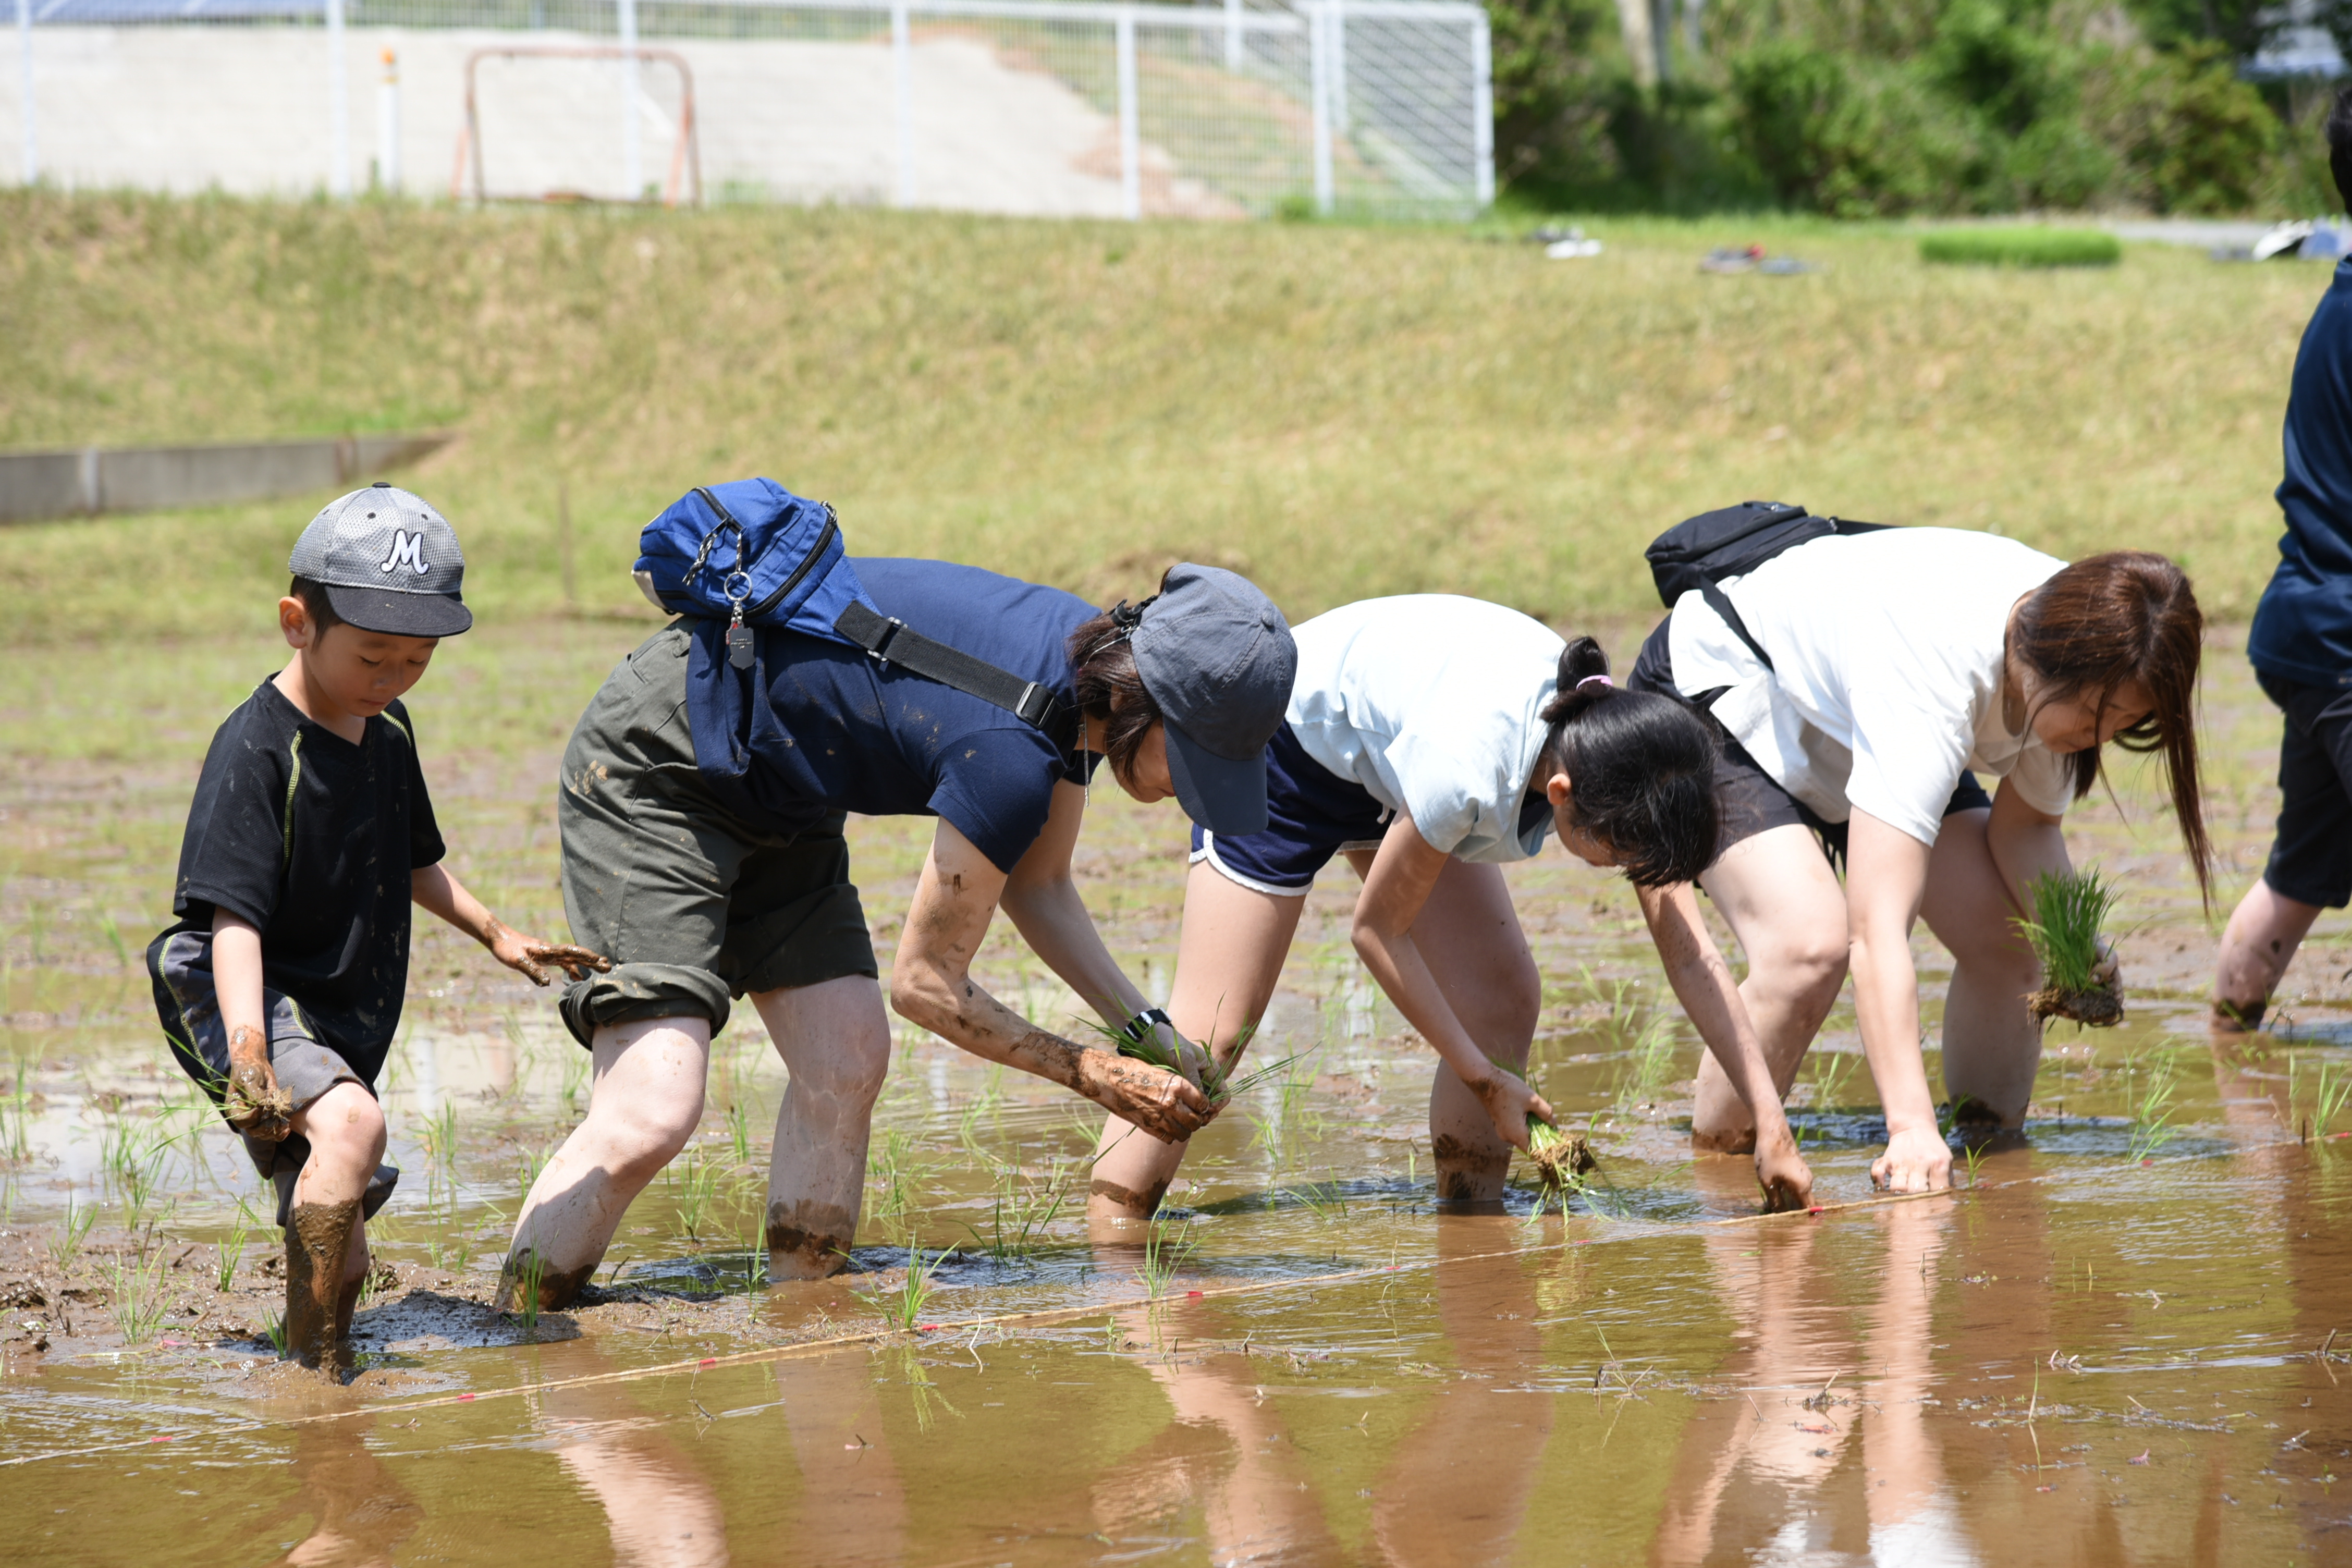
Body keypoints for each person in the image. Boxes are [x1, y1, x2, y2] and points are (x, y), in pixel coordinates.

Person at [501, 559, 1295, 1309]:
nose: (1184, 796)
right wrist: (1093, 1073)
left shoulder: (1083, 679)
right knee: (654, 1106)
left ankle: (805, 1311)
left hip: (786, 792)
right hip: (668, 763)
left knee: (846, 1061)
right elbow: (925, 985)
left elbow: (1040, 884)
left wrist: (1145, 1031)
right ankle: (523, 1322)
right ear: (1137, 697)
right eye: (1189, 765)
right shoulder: (1011, 748)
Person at [1085, 595, 1812, 1225]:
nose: (1621, 873)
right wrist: (1485, 1080)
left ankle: (1470, 1220)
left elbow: (1689, 951)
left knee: (1498, 998)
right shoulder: (1467, 771)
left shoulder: (1621, 748)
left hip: (1393, 754)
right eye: (1617, 857)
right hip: (1285, 753)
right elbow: (1376, 933)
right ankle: (1112, 1229)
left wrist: (1770, 1121)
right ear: (1560, 796)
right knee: (1212, 1037)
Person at [146, 485, 605, 1374]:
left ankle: (323, 1354)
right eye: (371, 657)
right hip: (238, 983)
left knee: (347, 1252)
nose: (390, 679)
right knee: (355, 1125)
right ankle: (314, 1378)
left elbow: (410, 858)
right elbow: (230, 918)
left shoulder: (386, 730)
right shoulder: (257, 749)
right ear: (295, 621)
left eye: (415, 660)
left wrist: (495, 933)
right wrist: (249, 1052)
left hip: (336, 999)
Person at [1625, 526, 2207, 1192]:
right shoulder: (1943, 671)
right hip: (1737, 691)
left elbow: (2027, 828)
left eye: (2121, 724)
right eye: (2095, 716)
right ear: (2051, 661)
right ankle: (1721, 1170)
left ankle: (1994, 1149)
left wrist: (2078, 942)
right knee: (1806, 948)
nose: (2097, 738)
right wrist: (1907, 1127)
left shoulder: (2095, 642)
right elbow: (1876, 932)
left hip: (1858, 721)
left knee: (2014, 945)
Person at [2213, 85, 2352, 1033]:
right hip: (2342, 639)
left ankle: (2230, 1031)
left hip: (2307, 628)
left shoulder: (2338, 302)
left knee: (2297, 874)